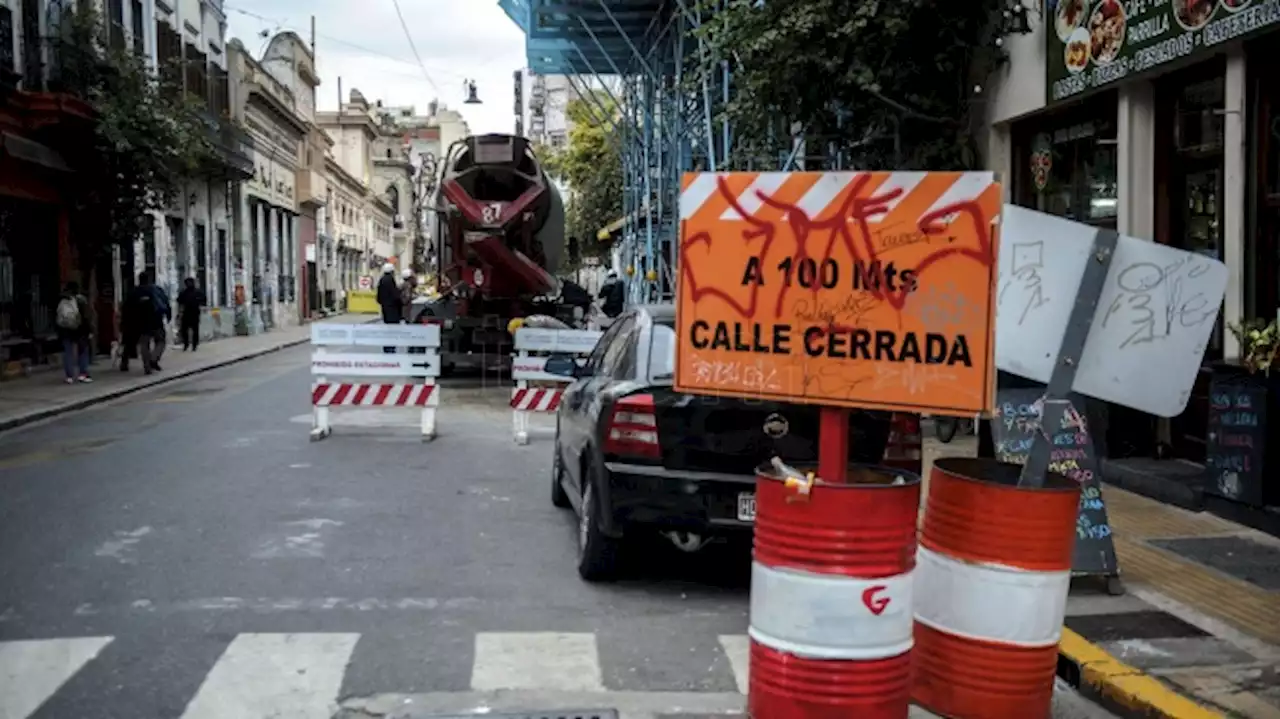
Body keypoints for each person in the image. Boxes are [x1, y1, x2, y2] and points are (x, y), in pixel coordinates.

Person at [122, 272, 170, 375]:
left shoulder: (134, 292)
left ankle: (147, 366)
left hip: (140, 322)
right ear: (149, 279)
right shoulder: (157, 290)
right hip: (156, 320)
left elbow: (126, 308)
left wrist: (126, 321)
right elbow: (165, 302)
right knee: (161, 341)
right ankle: (154, 359)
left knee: (144, 344)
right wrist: (168, 315)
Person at [54, 281, 93, 384]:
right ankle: (82, 374)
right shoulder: (81, 299)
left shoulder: (61, 299)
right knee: (83, 351)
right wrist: (89, 330)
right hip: (80, 330)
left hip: (65, 329)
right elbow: (86, 316)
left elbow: (57, 315)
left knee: (68, 352)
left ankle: (69, 376)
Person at [376, 262, 401, 353]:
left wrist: (383, 303)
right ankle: (391, 346)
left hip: (385, 308)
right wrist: (399, 302)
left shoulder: (382, 280)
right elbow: (395, 295)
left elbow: (378, 297)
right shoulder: (391, 280)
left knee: (387, 328)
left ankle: (387, 346)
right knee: (393, 329)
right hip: (393, 309)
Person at [177, 277, 206, 351]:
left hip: (194, 313)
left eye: (190, 282)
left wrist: (200, 305)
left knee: (195, 330)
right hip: (187, 313)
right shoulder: (184, 292)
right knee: (184, 330)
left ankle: (194, 345)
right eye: (187, 283)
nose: (189, 284)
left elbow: (204, 300)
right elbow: (179, 302)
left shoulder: (197, 292)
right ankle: (186, 344)